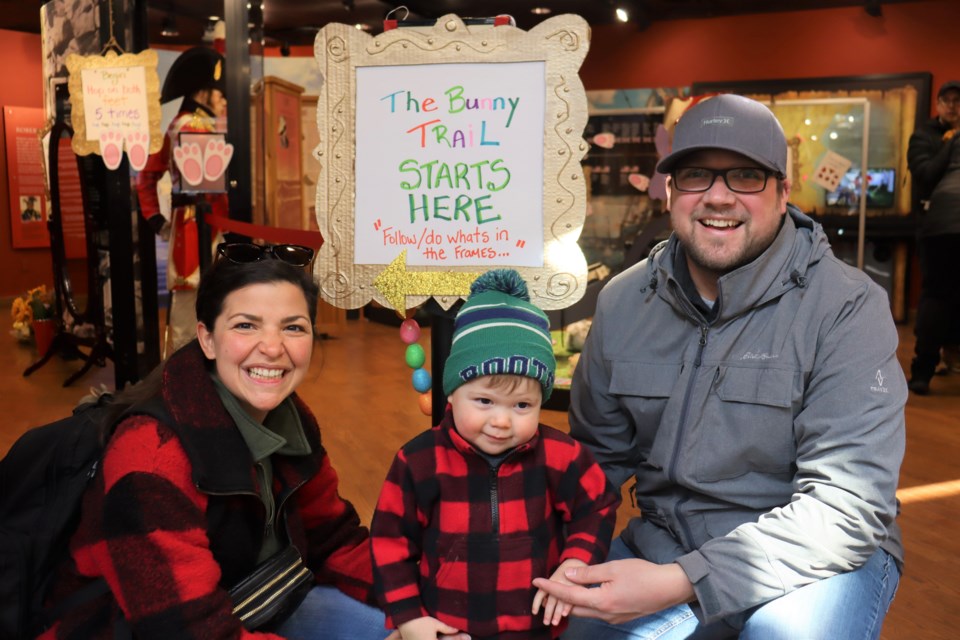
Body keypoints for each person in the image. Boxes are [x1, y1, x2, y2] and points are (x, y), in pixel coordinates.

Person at [533, 94, 906, 639]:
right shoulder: (622, 301)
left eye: (746, 177)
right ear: (669, 191)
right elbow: (596, 465)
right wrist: (558, 547)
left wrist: (683, 582)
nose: (718, 197)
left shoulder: (847, 306)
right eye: (696, 175)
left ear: (783, 192)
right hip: (666, 540)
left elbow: (845, 507)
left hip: (816, 559)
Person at [40, 243, 391, 640]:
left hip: (252, 601)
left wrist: (423, 598)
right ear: (206, 339)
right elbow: (188, 630)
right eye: (246, 325)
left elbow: (334, 540)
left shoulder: (291, 418)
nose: (273, 348)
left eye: (293, 327)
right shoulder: (151, 456)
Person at [370, 269, 620, 640]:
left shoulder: (562, 455)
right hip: (444, 628)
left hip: (536, 628)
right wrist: (409, 619)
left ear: (541, 403)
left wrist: (574, 562)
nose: (501, 421)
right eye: (484, 401)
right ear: (452, 393)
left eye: (522, 405)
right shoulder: (418, 462)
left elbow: (597, 506)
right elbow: (389, 544)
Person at [136, 46, 229, 356]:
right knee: (193, 306)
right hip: (196, 227)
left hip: (190, 224)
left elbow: (147, 176)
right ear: (204, 92)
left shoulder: (179, 123)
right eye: (218, 93)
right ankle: (184, 376)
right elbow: (210, 191)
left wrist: (157, 220)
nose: (223, 99)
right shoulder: (195, 126)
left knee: (194, 304)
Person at [905, 80, 960, 394]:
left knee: (942, 297)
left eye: (958, 101)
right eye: (946, 100)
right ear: (938, 104)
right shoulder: (925, 135)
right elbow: (924, 175)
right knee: (937, 295)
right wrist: (951, 145)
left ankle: (946, 359)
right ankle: (924, 368)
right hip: (935, 226)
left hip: (940, 226)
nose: (952, 106)